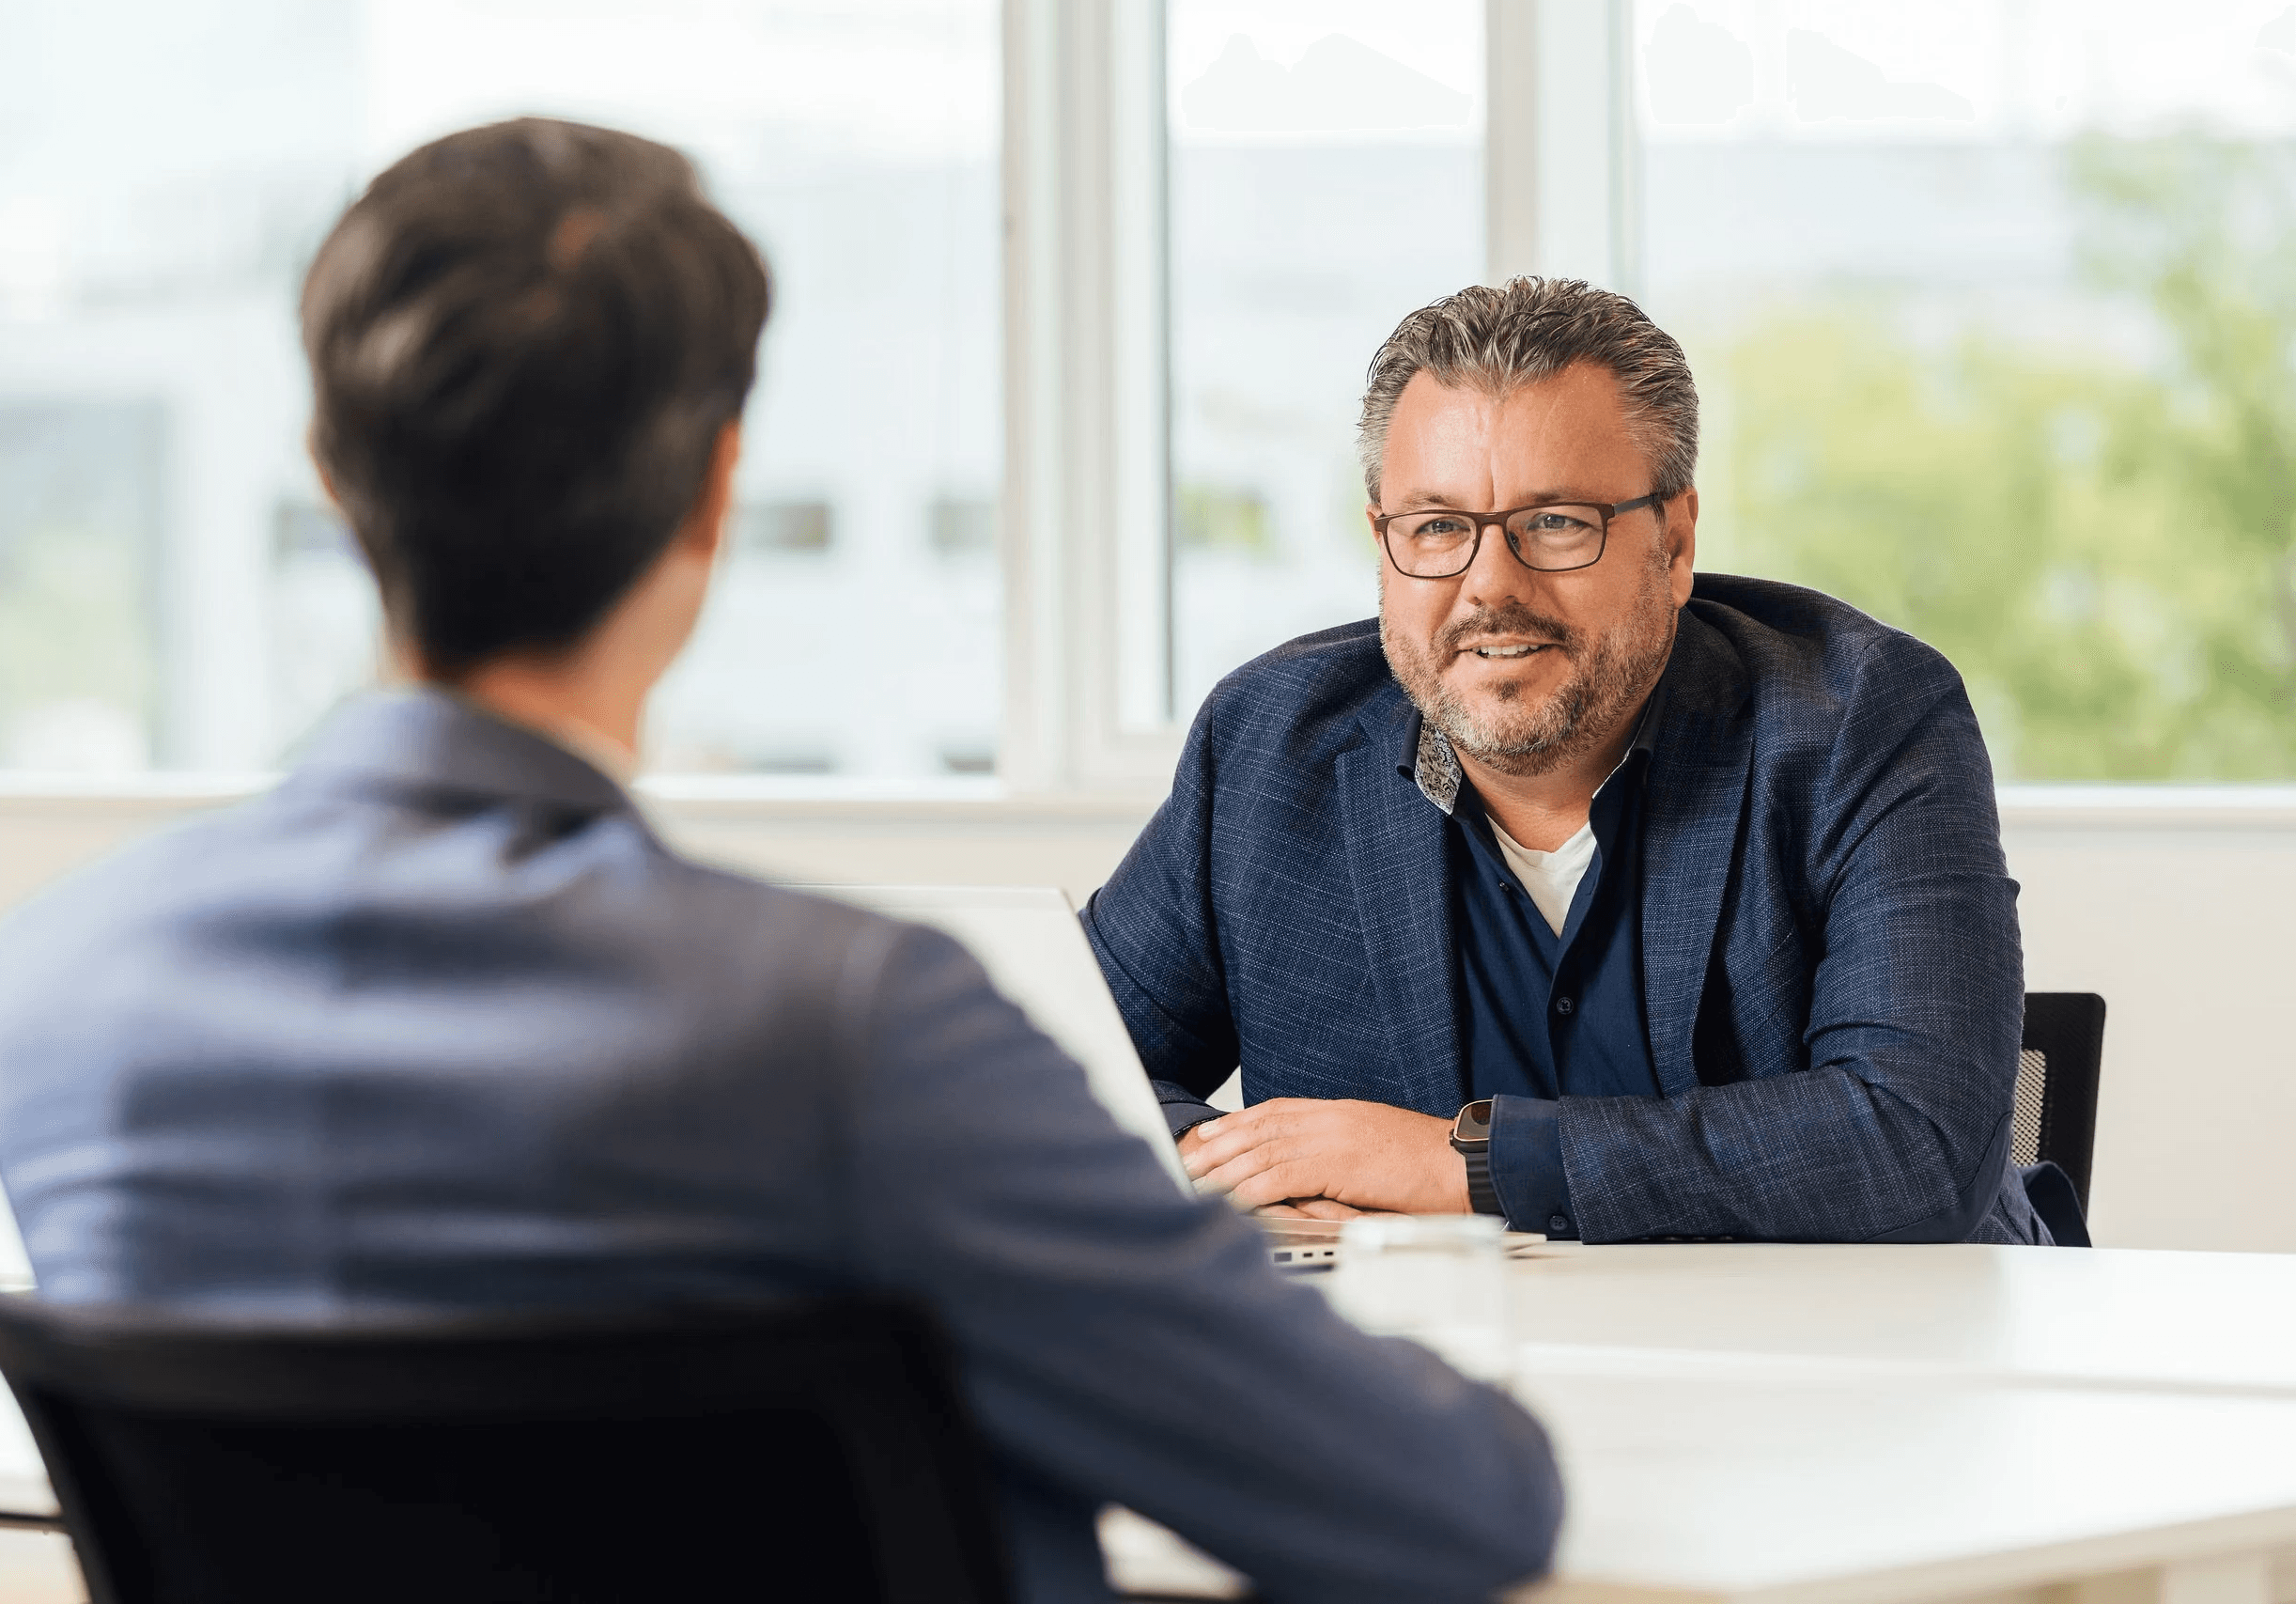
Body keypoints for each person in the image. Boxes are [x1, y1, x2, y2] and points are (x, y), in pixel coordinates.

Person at [0, 120, 1562, 1604]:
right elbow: (1440, 1503)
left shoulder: (63, 991)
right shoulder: (850, 1029)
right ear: (713, 490)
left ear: (332, 478)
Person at [1085, 276, 2055, 1247]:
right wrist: (1242, 1168)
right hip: (1418, 1369)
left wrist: (1456, 1166)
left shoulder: (1859, 720)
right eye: (1435, 527)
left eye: (1554, 523)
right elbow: (1048, 1068)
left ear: (1672, 545)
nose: (1488, 587)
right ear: (1381, 542)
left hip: (1843, 1366)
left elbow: (1915, 1147)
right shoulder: (1266, 746)